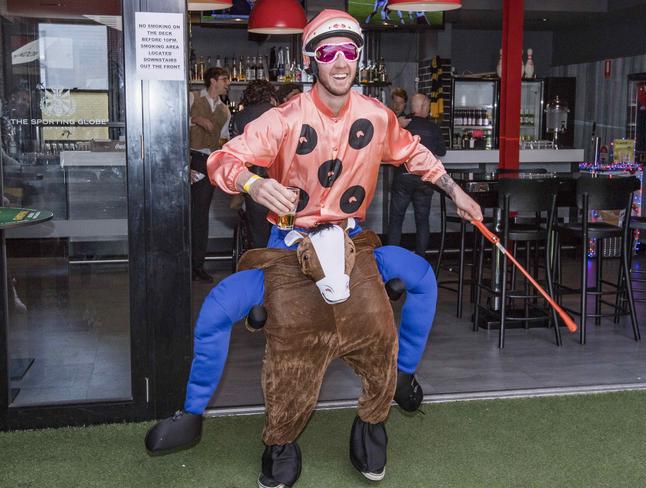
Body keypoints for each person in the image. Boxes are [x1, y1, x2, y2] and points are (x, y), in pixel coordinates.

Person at [145, 10, 482, 487]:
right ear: (311, 61)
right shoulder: (283, 119)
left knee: (420, 279)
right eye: (328, 52)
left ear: (359, 58)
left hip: (352, 242)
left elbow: (414, 153)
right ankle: (212, 420)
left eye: (349, 51)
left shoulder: (378, 116)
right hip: (290, 247)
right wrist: (252, 184)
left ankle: (390, 395)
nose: (340, 61)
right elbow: (223, 157)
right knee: (222, 306)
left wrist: (455, 191)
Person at [386, 93, 447, 258]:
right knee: (422, 220)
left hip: (403, 178)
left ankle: (391, 259)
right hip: (424, 180)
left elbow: (387, 145)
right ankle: (420, 259)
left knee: (396, 220)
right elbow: (442, 151)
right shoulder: (433, 128)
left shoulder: (402, 125)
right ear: (425, 107)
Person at [189, 67, 231, 282]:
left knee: (200, 216)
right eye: (224, 80)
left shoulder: (225, 110)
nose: (227, 84)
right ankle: (179, 264)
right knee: (180, 214)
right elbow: (173, 125)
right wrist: (195, 119)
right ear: (213, 81)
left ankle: (197, 265)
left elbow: (223, 140)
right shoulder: (192, 98)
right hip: (188, 158)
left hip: (209, 162)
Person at [229, 80, 278, 249]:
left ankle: (259, 269)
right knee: (282, 232)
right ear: (270, 95)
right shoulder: (280, 114)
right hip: (281, 182)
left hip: (253, 182)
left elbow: (234, 154)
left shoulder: (239, 118)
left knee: (258, 234)